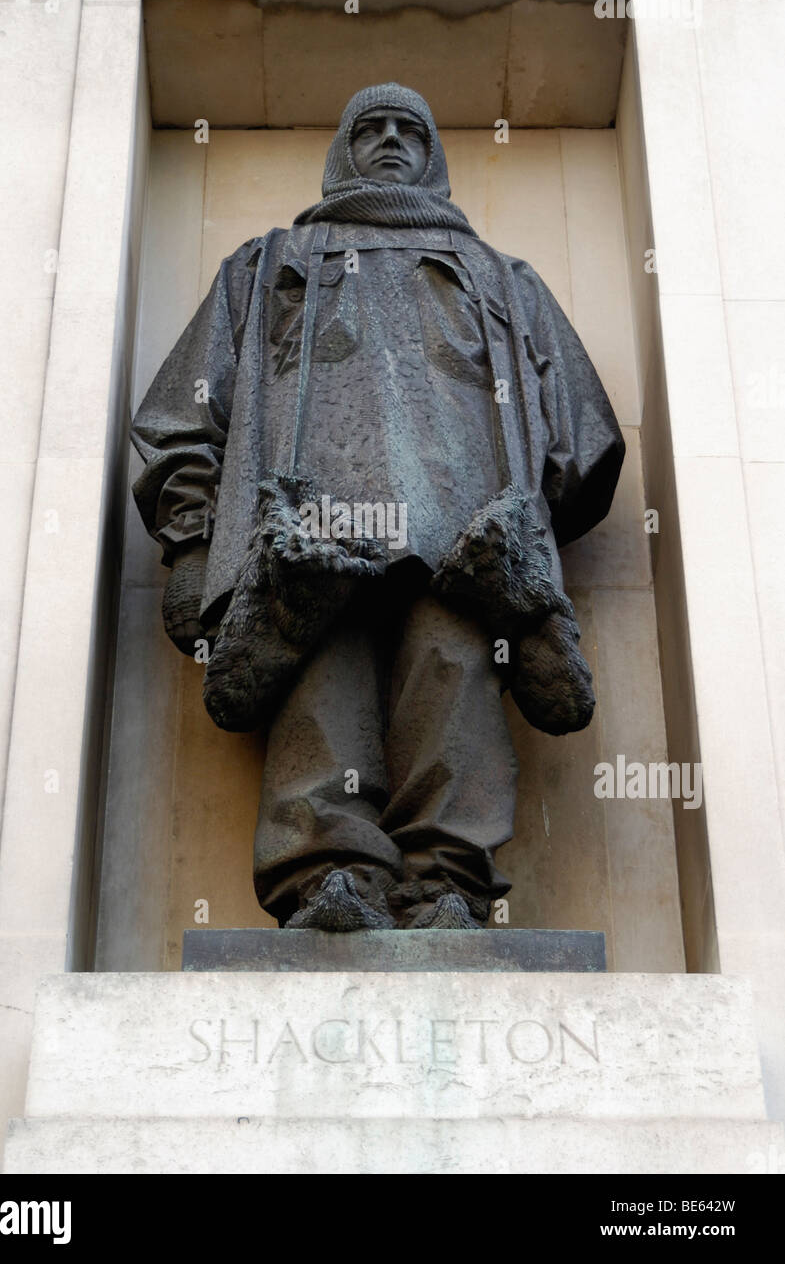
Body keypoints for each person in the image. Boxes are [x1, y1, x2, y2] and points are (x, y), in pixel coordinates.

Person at [131, 83, 624, 932]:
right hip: (312, 535)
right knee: (320, 682)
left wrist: (526, 532)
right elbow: (183, 413)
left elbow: (585, 437)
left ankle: (447, 884)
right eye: (371, 126)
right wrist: (190, 544)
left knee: (453, 681)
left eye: (409, 128)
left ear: (432, 153)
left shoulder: (503, 279)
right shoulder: (266, 262)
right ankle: (329, 873)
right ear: (343, 148)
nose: (391, 138)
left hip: (462, 539)